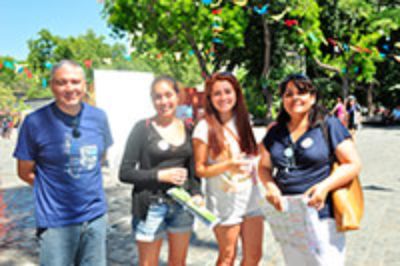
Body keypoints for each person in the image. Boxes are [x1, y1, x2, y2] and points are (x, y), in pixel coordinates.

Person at [13, 60, 113, 266]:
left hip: (95, 218)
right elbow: (24, 171)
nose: (70, 88)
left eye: (75, 82)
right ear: (52, 86)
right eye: (62, 82)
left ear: (85, 85)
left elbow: (100, 157)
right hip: (56, 222)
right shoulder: (35, 122)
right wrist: (55, 188)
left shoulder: (99, 117)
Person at [258, 74, 361, 266]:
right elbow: (263, 167)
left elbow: (352, 163)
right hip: (289, 217)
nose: (295, 98)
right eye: (288, 94)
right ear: (283, 100)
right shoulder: (275, 132)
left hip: (321, 215)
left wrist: (324, 187)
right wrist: (272, 188)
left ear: (312, 97)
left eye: (301, 92)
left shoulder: (328, 125)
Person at [119, 76, 201, 266]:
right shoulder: (142, 128)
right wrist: (159, 175)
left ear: (178, 97)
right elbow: (125, 172)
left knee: (178, 263)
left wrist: (197, 193)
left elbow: (193, 169)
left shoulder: (189, 127)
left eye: (168, 95)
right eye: (158, 97)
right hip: (150, 206)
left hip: (182, 206)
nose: (164, 102)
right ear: (152, 100)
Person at [192, 72, 264, 265]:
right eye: (217, 94)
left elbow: (251, 153)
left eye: (227, 91)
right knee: (227, 257)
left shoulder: (244, 121)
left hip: (251, 199)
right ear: (209, 98)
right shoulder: (203, 127)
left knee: (254, 256)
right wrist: (229, 165)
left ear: (236, 94)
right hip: (224, 203)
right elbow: (200, 169)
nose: (223, 97)